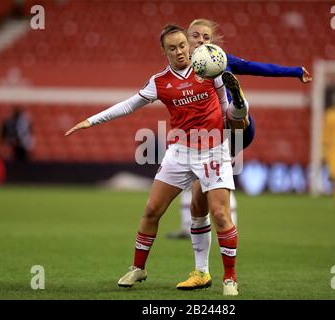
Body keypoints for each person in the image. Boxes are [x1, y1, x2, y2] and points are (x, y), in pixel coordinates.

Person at [65, 24, 241, 296]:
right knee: (151, 210)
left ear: (188, 44)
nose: (180, 51)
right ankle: (138, 267)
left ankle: (230, 278)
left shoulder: (210, 69)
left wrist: (239, 106)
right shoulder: (159, 81)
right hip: (179, 152)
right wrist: (91, 121)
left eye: (182, 45)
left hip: (212, 150)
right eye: (172, 48)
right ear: (165, 52)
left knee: (219, 213)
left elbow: (226, 108)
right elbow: (128, 105)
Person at [168, 18, 312, 290]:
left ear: (213, 41)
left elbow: (259, 67)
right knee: (200, 201)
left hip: (237, 130)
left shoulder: (222, 60)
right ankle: (201, 272)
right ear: (186, 41)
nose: (201, 41)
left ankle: (238, 106)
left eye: (206, 37)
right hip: (208, 143)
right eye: (196, 36)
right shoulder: (179, 72)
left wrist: (295, 71)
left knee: (232, 113)